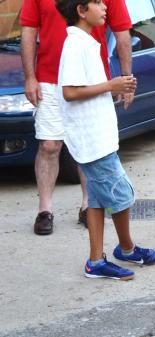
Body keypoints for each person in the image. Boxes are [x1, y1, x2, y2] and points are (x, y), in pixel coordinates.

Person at [56, 0, 155, 280]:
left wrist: (112, 88)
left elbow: (86, 88)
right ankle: (126, 249)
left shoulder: (87, 41)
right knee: (120, 194)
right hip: (91, 139)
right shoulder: (75, 44)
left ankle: (95, 261)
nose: (105, 7)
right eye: (98, 2)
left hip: (98, 135)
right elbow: (69, 91)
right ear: (81, 10)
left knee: (97, 199)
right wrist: (111, 85)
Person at [20, 0, 133, 235]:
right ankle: (45, 210)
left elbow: (122, 34)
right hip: (48, 80)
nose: (102, 6)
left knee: (89, 145)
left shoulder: (96, 13)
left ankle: (87, 205)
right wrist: (30, 77)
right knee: (49, 145)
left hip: (91, 80)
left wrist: (126, 79)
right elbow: (28, 31)